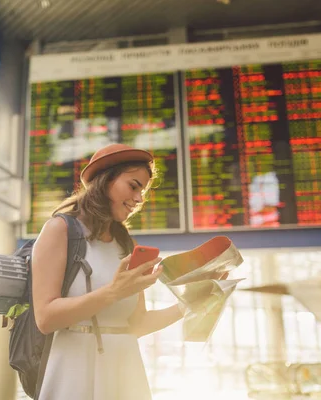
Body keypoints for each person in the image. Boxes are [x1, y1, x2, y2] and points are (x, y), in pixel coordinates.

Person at [31, 143, 225, 400]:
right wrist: (113, 292)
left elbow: (136, 325)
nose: (139, 199)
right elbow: (45, 319)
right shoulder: (60, 230)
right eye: (133, 186)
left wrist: (190, 303)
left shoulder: (127, 244)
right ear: (104, 180)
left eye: (142, 191)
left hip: (125, 372)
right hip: (73, 370)